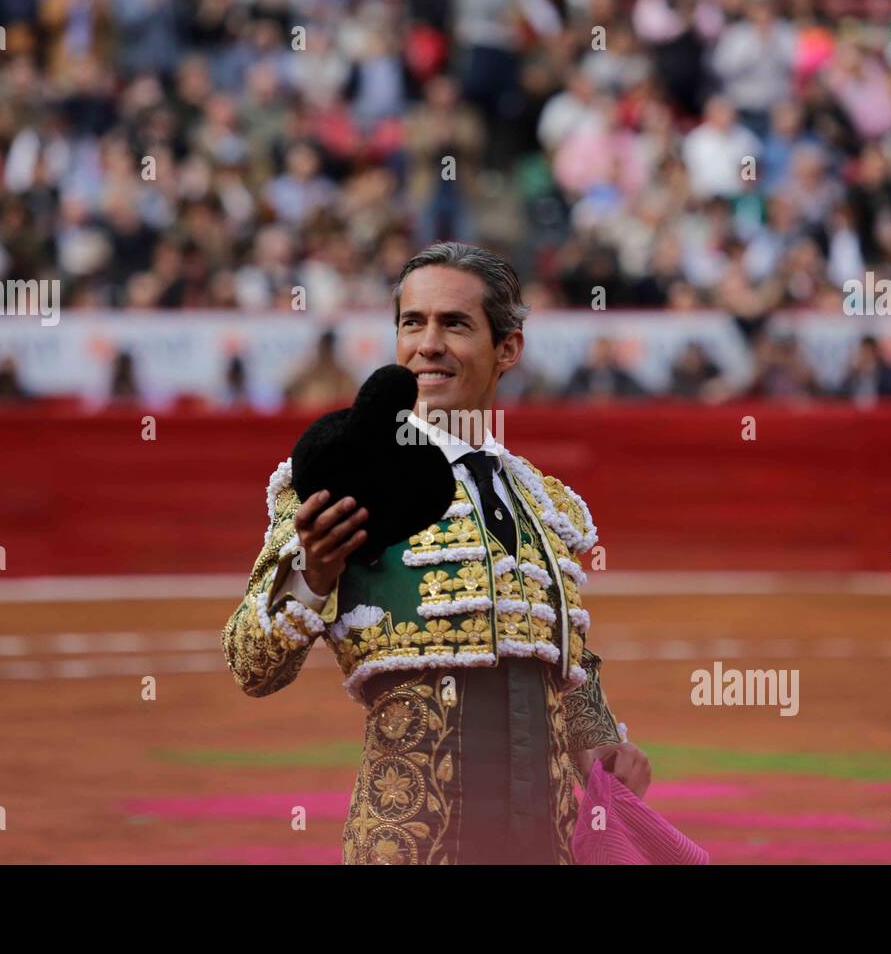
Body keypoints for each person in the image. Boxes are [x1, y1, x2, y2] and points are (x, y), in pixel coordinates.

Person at [221, 242, 649, 864]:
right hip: (413, 843)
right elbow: (250, 665)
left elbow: (563, 661)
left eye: (455, 324)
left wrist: (602, 751)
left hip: (541, 842)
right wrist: (312, 573)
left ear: (508, 348)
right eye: (412, 322)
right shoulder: (348, 477)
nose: (428, 344)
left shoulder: (540, 501)